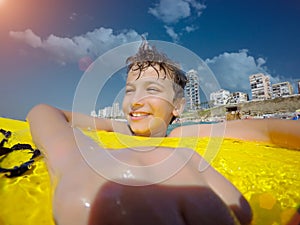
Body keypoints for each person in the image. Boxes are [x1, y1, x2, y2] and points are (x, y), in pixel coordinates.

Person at [27, 41, 300, 225]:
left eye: (152, 90)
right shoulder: (119, 128)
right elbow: (43, 112)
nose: (135, 100)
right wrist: (76, 159)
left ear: (178, 106)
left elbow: (266, 131)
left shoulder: (184, 132)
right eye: (130, 89)